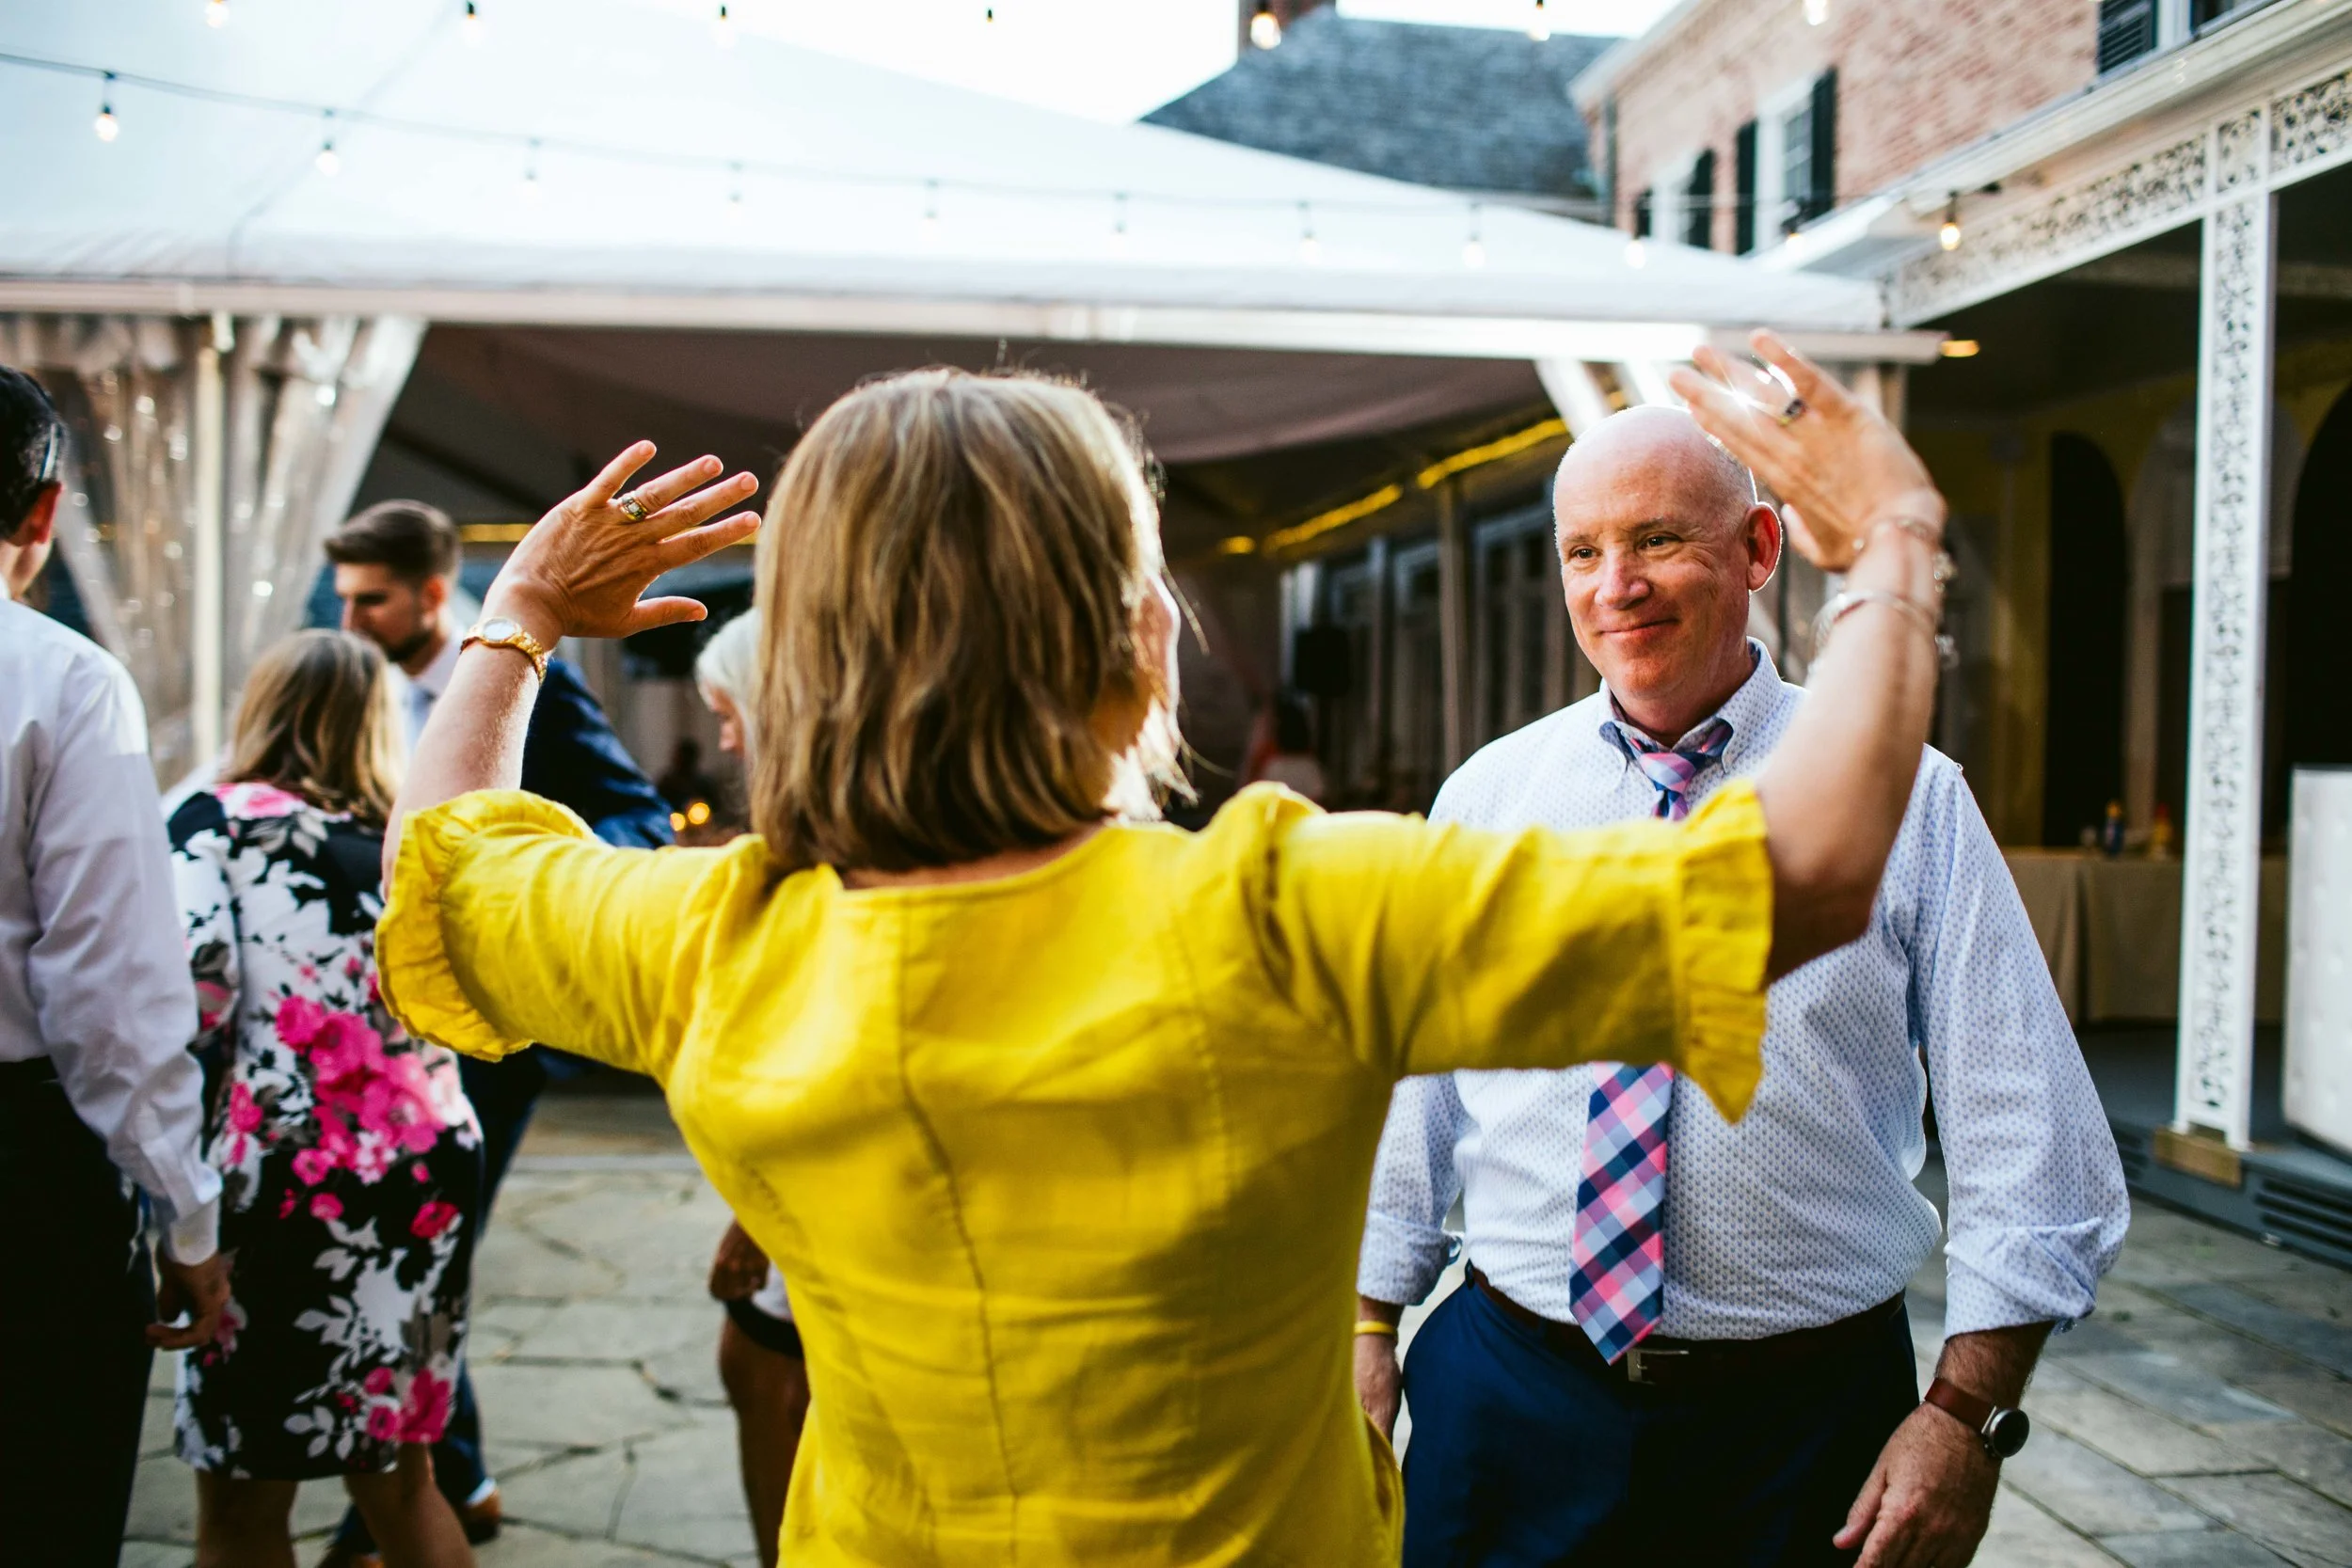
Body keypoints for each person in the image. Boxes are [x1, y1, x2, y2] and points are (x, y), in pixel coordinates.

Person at [372, 336, 1954, 1566]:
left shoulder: (712, 933)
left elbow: (442, 863)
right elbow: (1810, 868)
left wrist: (517, 620)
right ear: (1142, 644)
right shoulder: (1283, 914)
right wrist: (1887, 544)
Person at [1353, 405, 2130, 1568]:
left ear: (1759, 549)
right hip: (1508, 1403)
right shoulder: (1489, 794)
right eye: (1582, 550)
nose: (1615, 585)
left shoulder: (1908, 796)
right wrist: (1365, 1320)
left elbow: (2030, 1128)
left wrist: (1966, 1417)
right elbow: (1414, 1098)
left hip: (1801, 1424)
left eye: (1657, 539)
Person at [322, 499, 672, 1561]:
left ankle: (409, 1491)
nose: (351, 620)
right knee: (416, 1247)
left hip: (489, 1033)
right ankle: (456, 1475)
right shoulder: (363, 690)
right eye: (344, 600)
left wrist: (540, 892)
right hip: (379, 1031)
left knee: (432, 1248)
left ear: (434, 593)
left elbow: (638, 815)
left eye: (371, 599)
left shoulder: (537, 684)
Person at [167, 629, 483, 1567]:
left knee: (242, 1503)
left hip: (289, 1183)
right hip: (425, 1171)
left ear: (262, 708)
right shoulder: (415, 840)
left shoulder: (215, 821)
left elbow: (197, 991)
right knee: (403, 1479)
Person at [0, 364, 230, 1566]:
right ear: (43, 511)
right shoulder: (63, 680)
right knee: (40, 1509)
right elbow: (112, 996)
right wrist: (186, 1219)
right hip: (19, 1180)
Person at [694, 610, 811, 1568]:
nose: (727, 742)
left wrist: (757, 1216)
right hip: (798, 1179)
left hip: (815, 1184)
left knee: (769, 1377)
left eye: (730, 715)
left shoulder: (814, 849)